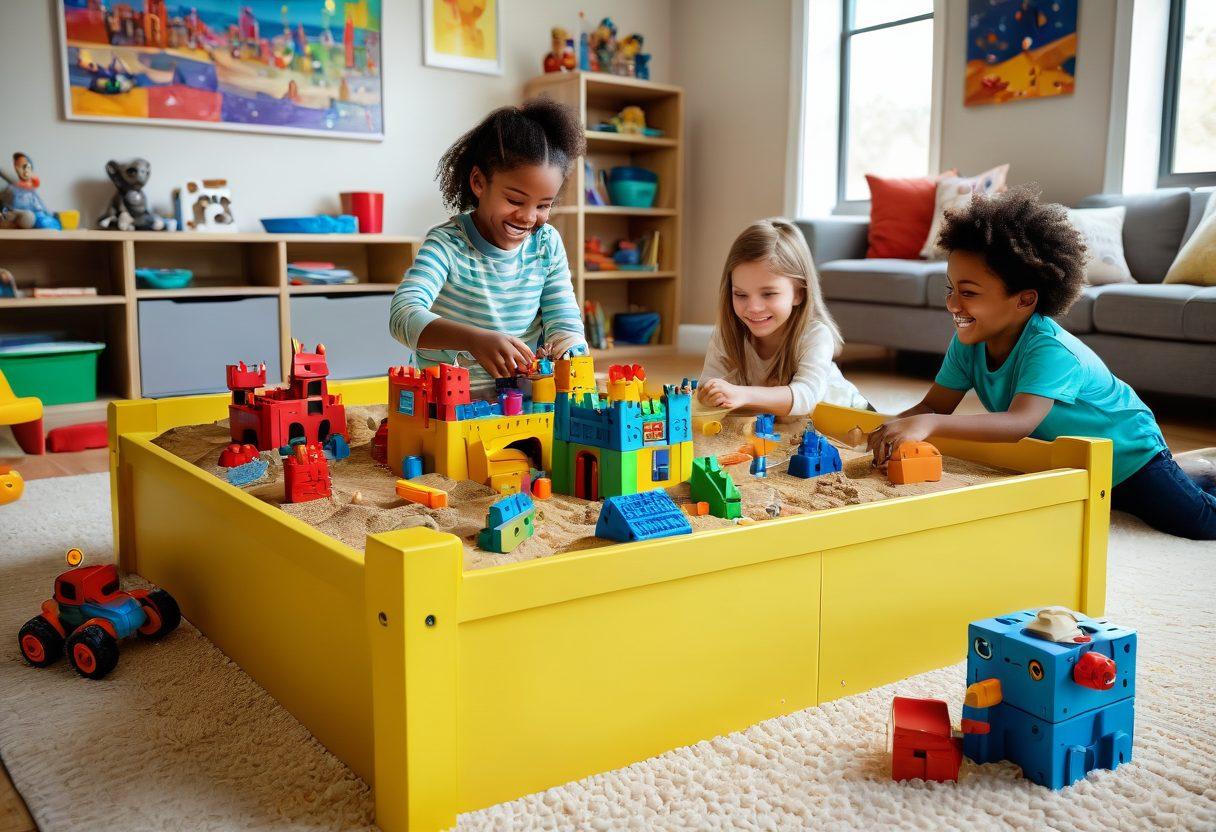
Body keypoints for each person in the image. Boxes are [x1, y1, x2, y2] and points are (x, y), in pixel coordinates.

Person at [867, 187, 1215, 540]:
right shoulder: (968, 341)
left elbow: (1018, 423)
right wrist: (887, 426)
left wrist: (929, 424)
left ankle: (1192, 469)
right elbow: (933, 405)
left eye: (968, 292)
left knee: (1199, 522)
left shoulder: (1050, 349)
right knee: (1121, 502)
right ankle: (1191, 468)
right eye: (950, 289)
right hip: (1081, 462)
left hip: (1131, 453)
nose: (953, 304)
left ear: (1025, 300)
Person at [389, 99, 587, 393]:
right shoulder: (447, 244)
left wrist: (569, 350)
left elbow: (564, 321)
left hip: (522, 400)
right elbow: (403, 316)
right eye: (515, 201)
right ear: (479, 182)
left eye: (544, 205)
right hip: (446, 403)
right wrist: (473, 339)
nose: (529, 217)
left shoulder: (546, 243)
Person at [698, 218, 870, 416]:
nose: (753, 307)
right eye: (741, 294)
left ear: (799, 293)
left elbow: (806, 396)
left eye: (769, 294)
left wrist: (743, 395)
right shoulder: (726, 335)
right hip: (788, 429)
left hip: (850, 417)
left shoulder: (815, 335)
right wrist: (708, 394)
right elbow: (707, 385)